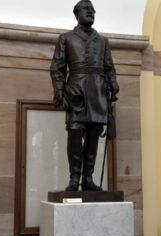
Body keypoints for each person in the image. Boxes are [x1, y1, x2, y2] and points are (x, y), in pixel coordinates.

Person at [50, 0, 119, 191]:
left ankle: (88, 178)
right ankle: (74, 178)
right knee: (74, 133)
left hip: (98, 92)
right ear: (77, 13)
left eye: (93, 10)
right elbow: (57, 68)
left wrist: (113, 83)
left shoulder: (103, 41)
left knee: (93, 137)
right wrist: (60, 91)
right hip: (76, 91)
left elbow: (109, 68)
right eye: (87, 9)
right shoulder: (66, 38)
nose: (91, 12)